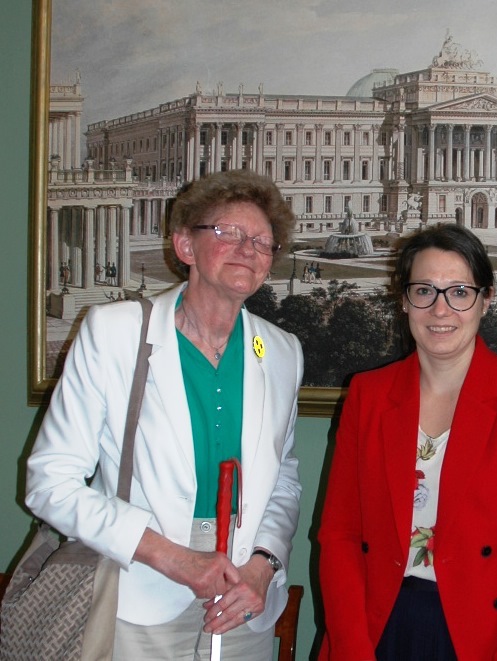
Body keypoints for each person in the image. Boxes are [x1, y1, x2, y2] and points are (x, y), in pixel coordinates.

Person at [26, 169, 304, 659]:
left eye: (263, 241)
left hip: (244, 599)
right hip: (139, 590)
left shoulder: (281, 351)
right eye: (227, 233)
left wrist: (263, 565)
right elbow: (50, 483)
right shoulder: (114, 332)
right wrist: (172, 558)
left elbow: (283, 477)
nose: (249, 248)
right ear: (184, 246)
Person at [318, 224, 497, 660]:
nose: (440, 309)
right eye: (424, 291)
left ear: (485, 300)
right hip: (378, 626)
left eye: (459, 292)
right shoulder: (368, 395)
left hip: (478, 633)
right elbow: (340, 534)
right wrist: (352, 646)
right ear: (404, 300)